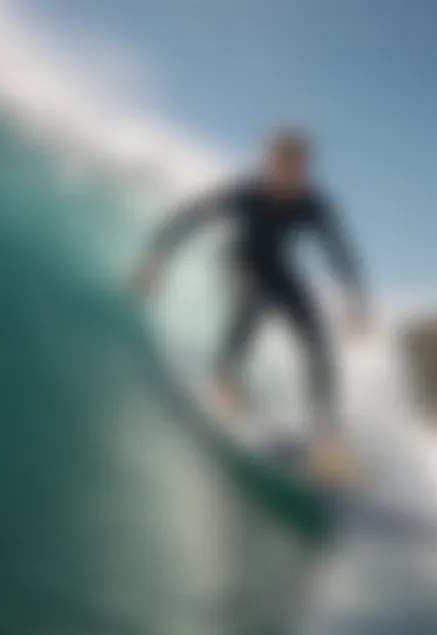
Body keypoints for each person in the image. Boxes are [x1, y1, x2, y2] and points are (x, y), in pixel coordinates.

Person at [131, 127, 370, 477]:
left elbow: (339, 250)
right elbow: (191, 216)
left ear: (304, 169)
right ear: (268, 162)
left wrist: (355, 298)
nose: (285, 174)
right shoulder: (246, 193)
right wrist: (157, 257)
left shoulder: (312, 203)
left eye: (295, 168)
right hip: (237, 261)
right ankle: (223, 378)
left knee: (316, 338)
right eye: (278, 164)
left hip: (278, 267)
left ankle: (327, 438)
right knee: (254, 303)